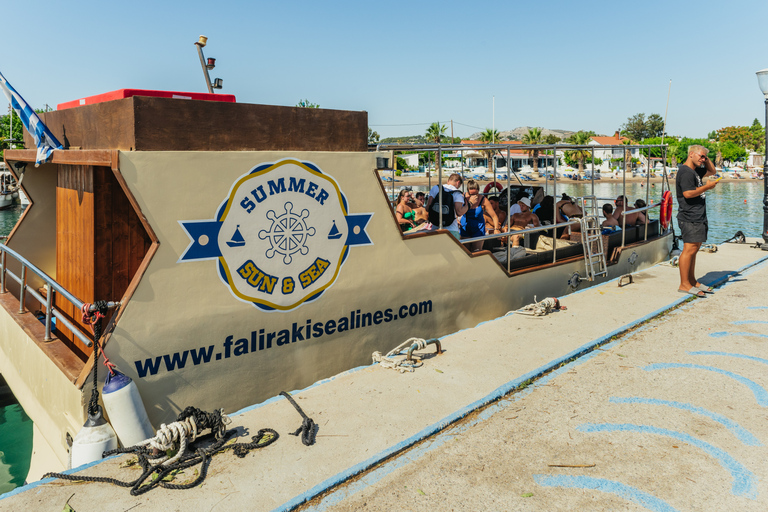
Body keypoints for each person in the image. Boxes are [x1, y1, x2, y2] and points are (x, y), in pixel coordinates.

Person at [676, 145, 719, 297]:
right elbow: (687, 194)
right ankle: (684, 284)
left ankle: (692, 281)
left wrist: (706, 159)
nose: (703, 159)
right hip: (689, 216)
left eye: (704, 157)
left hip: (698, 215)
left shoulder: (695, 171)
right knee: (689, 249)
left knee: (695, 249)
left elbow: (712, 171)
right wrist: (706, 187)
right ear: (691, 154)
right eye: (700, 156)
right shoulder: (686, 172)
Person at [460, 179, 500, 252]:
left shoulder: (483, 199)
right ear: (468, 191)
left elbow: (494, 216)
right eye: (471, 194)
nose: (474, 196)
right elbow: (457, 210)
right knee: (465, 251)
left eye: (475, 194)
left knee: (477, 251)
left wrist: (496, 229)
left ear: (478, 191)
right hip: (465, 226)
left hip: (478, 228)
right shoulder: (463, 197)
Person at [426, 173, 468, 239]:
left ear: (448, 181)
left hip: (435, 228)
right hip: (451, 229)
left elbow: (428, 207)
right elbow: (459, 212)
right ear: (458, 182)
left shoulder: (436, 188)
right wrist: (468, 205)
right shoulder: (457, 193)